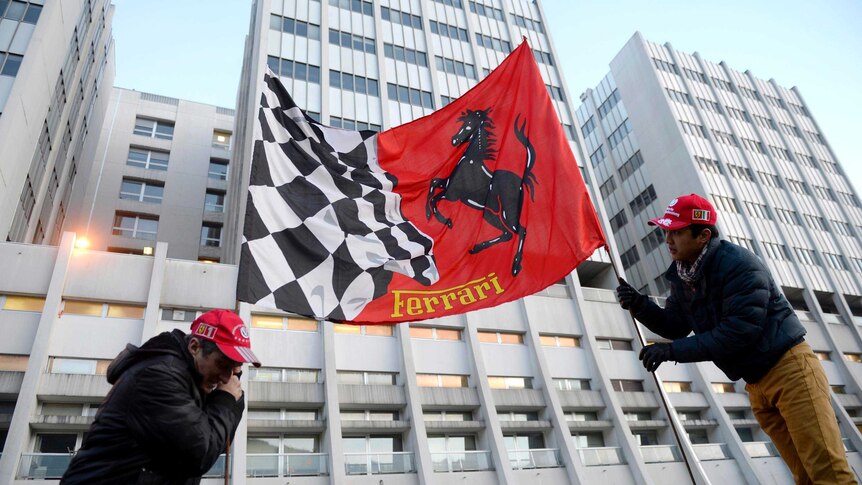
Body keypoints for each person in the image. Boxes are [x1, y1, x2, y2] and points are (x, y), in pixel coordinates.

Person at [616, 193, 855, 485]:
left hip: (790, 372)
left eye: (676, 231)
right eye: (666, 231)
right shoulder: (683, 275)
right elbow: (676, 325)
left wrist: (671, 352)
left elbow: (736, 333)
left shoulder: (739, 265)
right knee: (804, 476)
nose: (668, 239)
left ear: (703, 235)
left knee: (828, 473)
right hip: (755, 384)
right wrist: (639, 304)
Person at [61, 309, 261, 484]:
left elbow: (218, 443)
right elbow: (201, 452)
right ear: (194, 347)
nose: (227, 378)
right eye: (222, 364)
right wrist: (225, 400)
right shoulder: (159, 375)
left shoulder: (193, 379)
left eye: (235, 369)